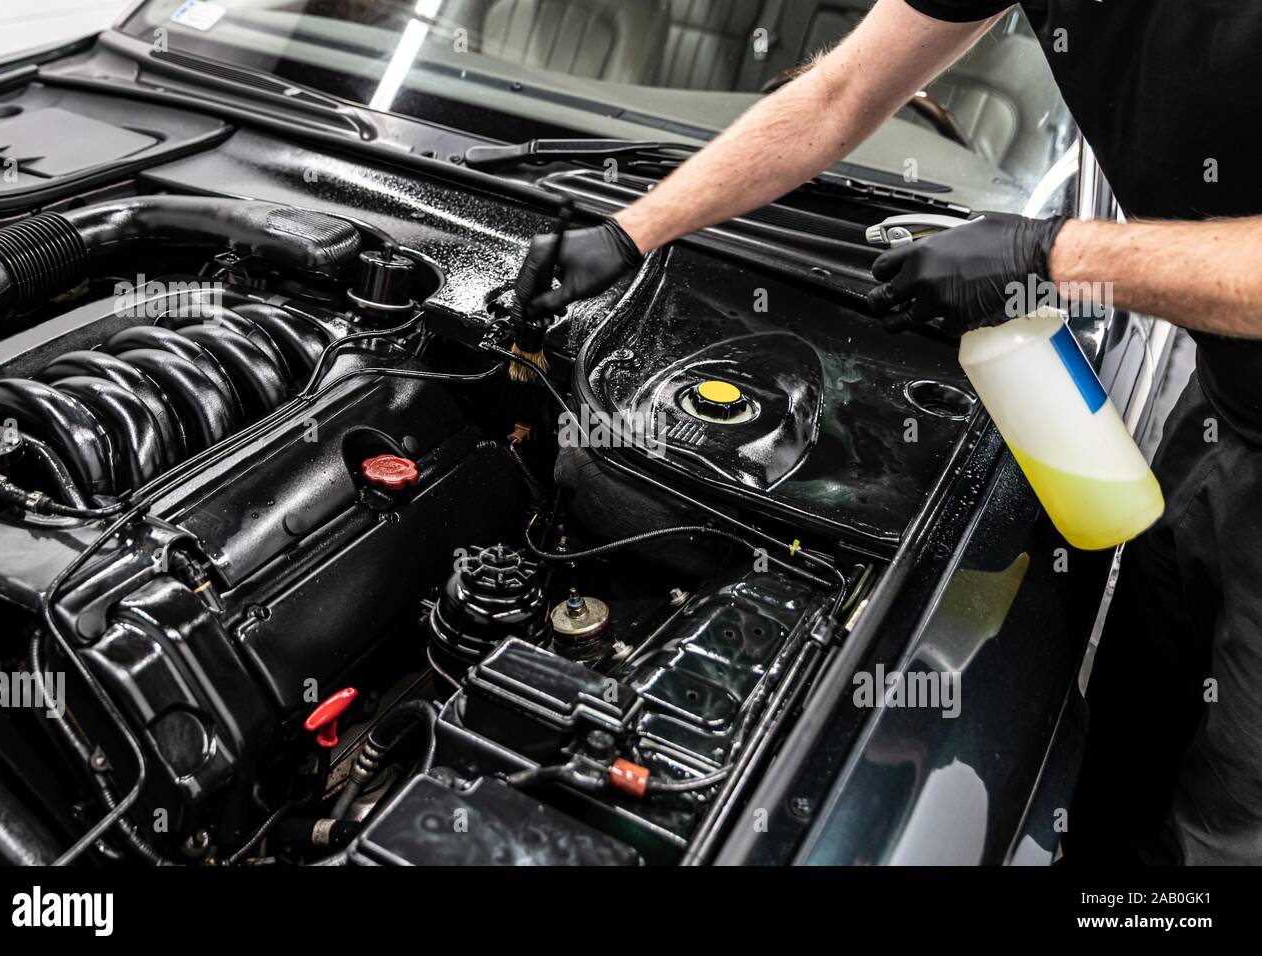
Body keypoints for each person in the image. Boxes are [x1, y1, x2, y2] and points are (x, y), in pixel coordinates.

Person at [514, 0, 1262, 865]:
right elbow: (840, 91)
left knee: (1225, 826)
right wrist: (630, 230)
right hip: (1224, 403)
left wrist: (1046, 252)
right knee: (1136, 735)